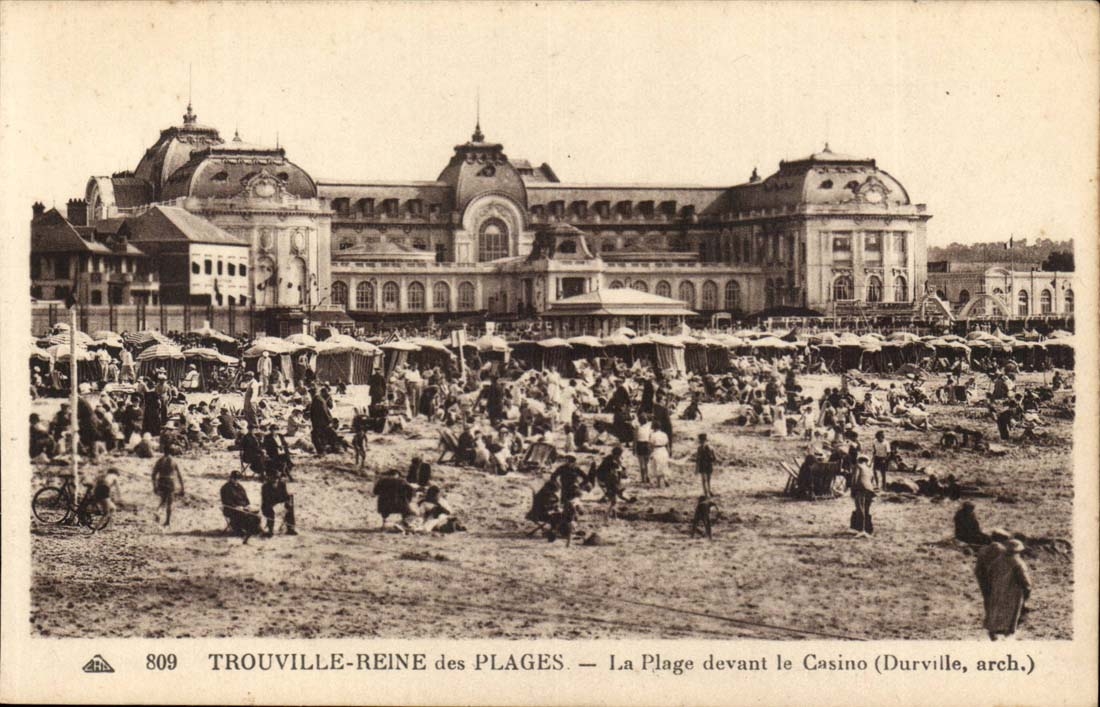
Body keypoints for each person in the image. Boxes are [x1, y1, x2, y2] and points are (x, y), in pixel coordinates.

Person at [982, 538, 1032, 640]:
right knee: (1011, 613)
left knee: (996, 610)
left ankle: (994, 631)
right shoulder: (1018, 563)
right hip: (1013, 593)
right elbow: (1026, 582)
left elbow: (989, 573)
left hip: (997, 590)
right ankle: (1008, 633)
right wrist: (1027, 591)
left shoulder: (998, 560)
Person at [220, 471, 262, 542]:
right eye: (234, 478)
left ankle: (254, 529)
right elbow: (226, 501)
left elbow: (245, 498)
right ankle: (238, 529)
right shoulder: (225, 488)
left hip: (243, 507)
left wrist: (247, 505)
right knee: (242, 514)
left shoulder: (240, 487)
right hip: (231, 509)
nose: (236, 480)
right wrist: (236, 506)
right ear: (230, 478)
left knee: (256, 514)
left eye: (238, 479)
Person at [152, 446, 184, 527]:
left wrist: (154, 486)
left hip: (161, 480)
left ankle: (158, 511)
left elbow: (153, 474)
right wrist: (182, 487)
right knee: (169, 502)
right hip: (170, 481)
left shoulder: (159, 461)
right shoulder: (174, 461)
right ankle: (167, 521)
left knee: (163, 500)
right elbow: (179, 475)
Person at [261, 466, 296, 536]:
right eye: (274, 478)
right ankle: (270, 529)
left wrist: (287, 502)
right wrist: (276, 505)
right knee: (269, 510)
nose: (276, 480)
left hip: (280, 504)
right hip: (269, 505)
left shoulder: (282, 484)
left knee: (289, 507)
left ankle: (290, 528)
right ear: (269, 478)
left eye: (277, 478)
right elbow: (266, 500)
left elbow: (285, 495)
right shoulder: (265, 487)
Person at [849, 454, 876, 537]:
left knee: (860, 509)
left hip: (860, 489)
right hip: (870, 490)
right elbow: (873, 482)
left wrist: (852, 490)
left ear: (859, 460)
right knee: (866, 510)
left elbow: (855, 478)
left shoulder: (858, 466)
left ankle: (861, 530)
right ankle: (868, 529)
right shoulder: (869, 469)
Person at [695, 433, 717, 498]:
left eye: (702, 441)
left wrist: (697, 468)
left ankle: (708, 492)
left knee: (706, 479)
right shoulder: (702, 448)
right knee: (706, 479)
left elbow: (714, 458)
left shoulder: (703, 448)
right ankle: (707, 492)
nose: (702, 442)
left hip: (705, 464)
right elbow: (698, 459)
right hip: (706, 465)